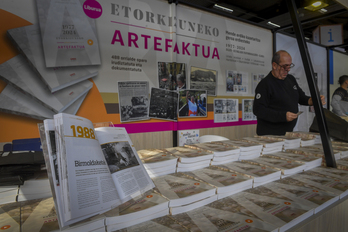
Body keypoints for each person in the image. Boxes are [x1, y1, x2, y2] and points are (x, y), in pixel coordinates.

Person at [253, 50, 326, 136]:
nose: (288, 70)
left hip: (287, 133)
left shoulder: (290, 79)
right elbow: (258, 110)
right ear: (274, 65)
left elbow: (301, 97)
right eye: (284, 66)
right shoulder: (265, 84)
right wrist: (283, 116)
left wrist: (313, 100)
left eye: (289, 66)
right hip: (270, 135)